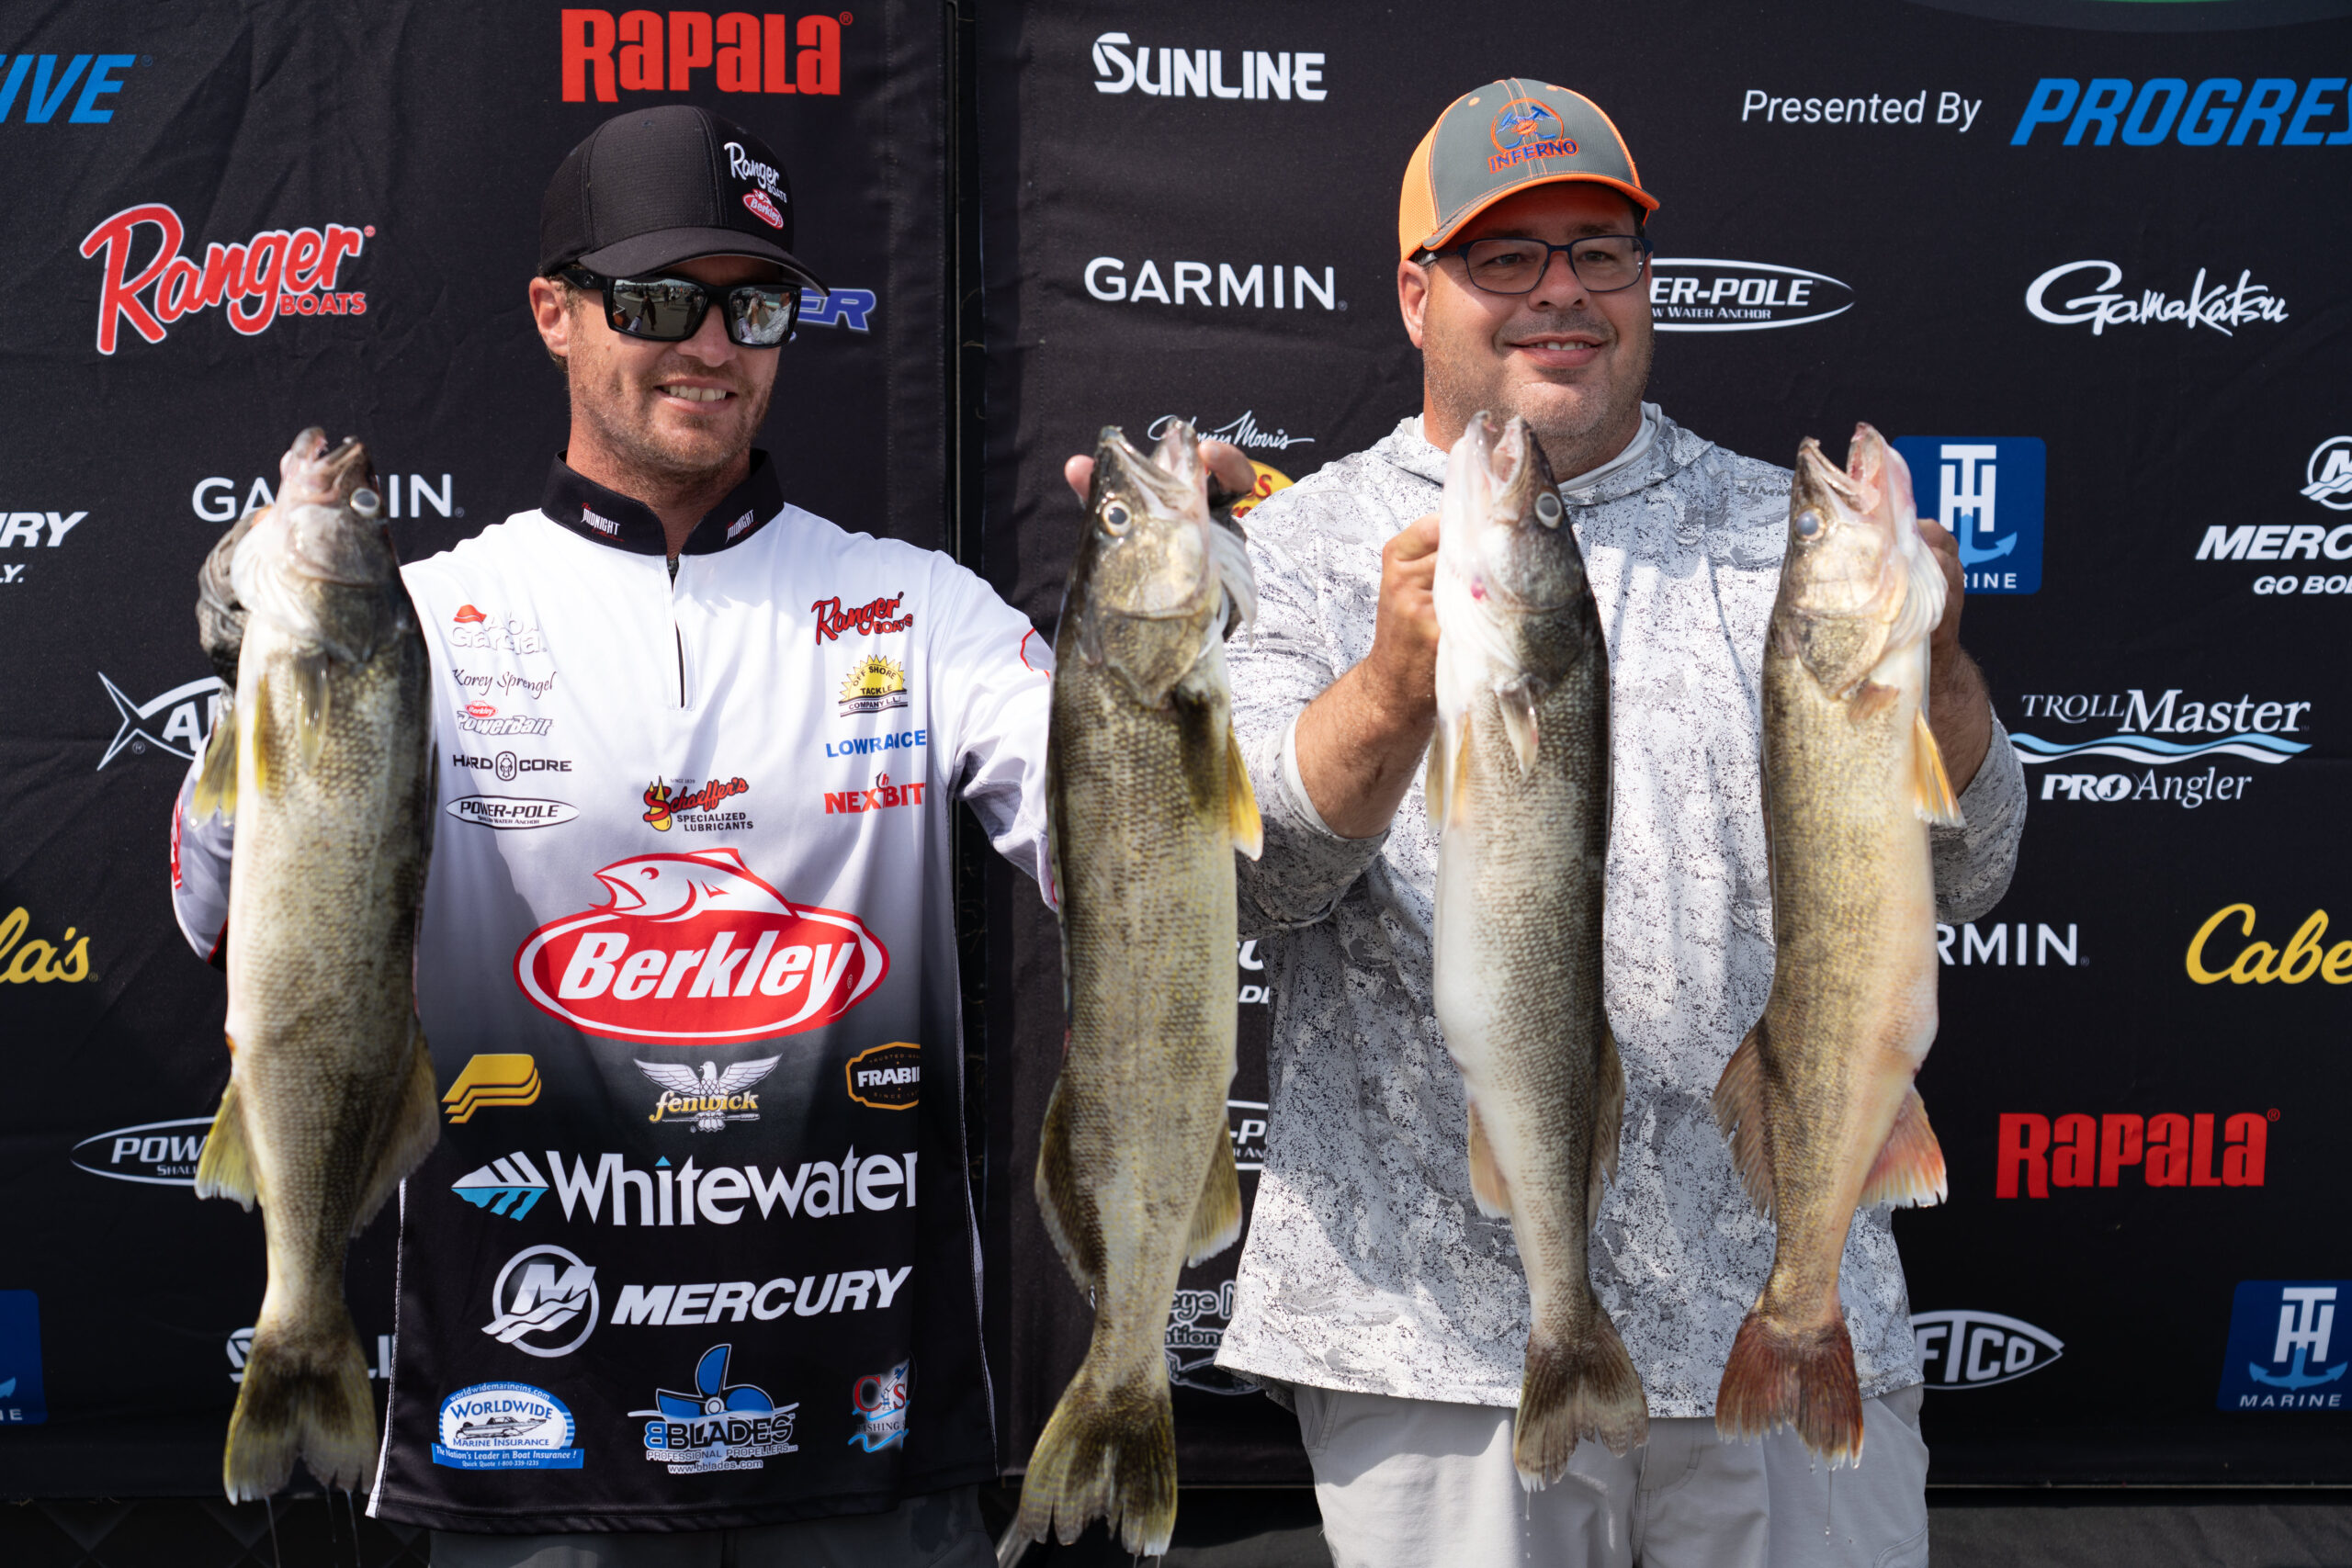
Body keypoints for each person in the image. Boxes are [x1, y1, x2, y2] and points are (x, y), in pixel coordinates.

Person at [170, 104, 1048, 1565]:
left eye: (753, 305)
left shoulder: (921, 609)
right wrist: (253, 671)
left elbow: (1126, 842)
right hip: (527, 1453)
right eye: (656, 301)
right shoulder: (421, 616)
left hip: (868, 1447)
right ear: (554, 314)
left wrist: (1174, 649)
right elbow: (213, 906)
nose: (711, 345)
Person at [1203, 80, 2026, 1566]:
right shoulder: (1297, 546)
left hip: (1785, 1333)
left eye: (1601, 251)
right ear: (1417, 294)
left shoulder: (1779, 530)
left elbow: (1972, 870)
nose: (1561, 293)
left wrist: (1942, 670)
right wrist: (1389, 690)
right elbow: (1244, 885)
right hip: (1433, 1348)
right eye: (1505, 257)